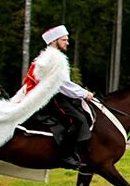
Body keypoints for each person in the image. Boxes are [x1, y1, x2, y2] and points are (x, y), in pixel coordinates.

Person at [27, 25, 94, 169]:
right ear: (54, 41)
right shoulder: (55, 57)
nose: (67, 43)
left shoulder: (52, 56)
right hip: (55, 97)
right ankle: (66, 155)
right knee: (79, 120)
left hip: (57, 95)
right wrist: (84, 93)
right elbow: (62, 84)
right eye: (64, 40)